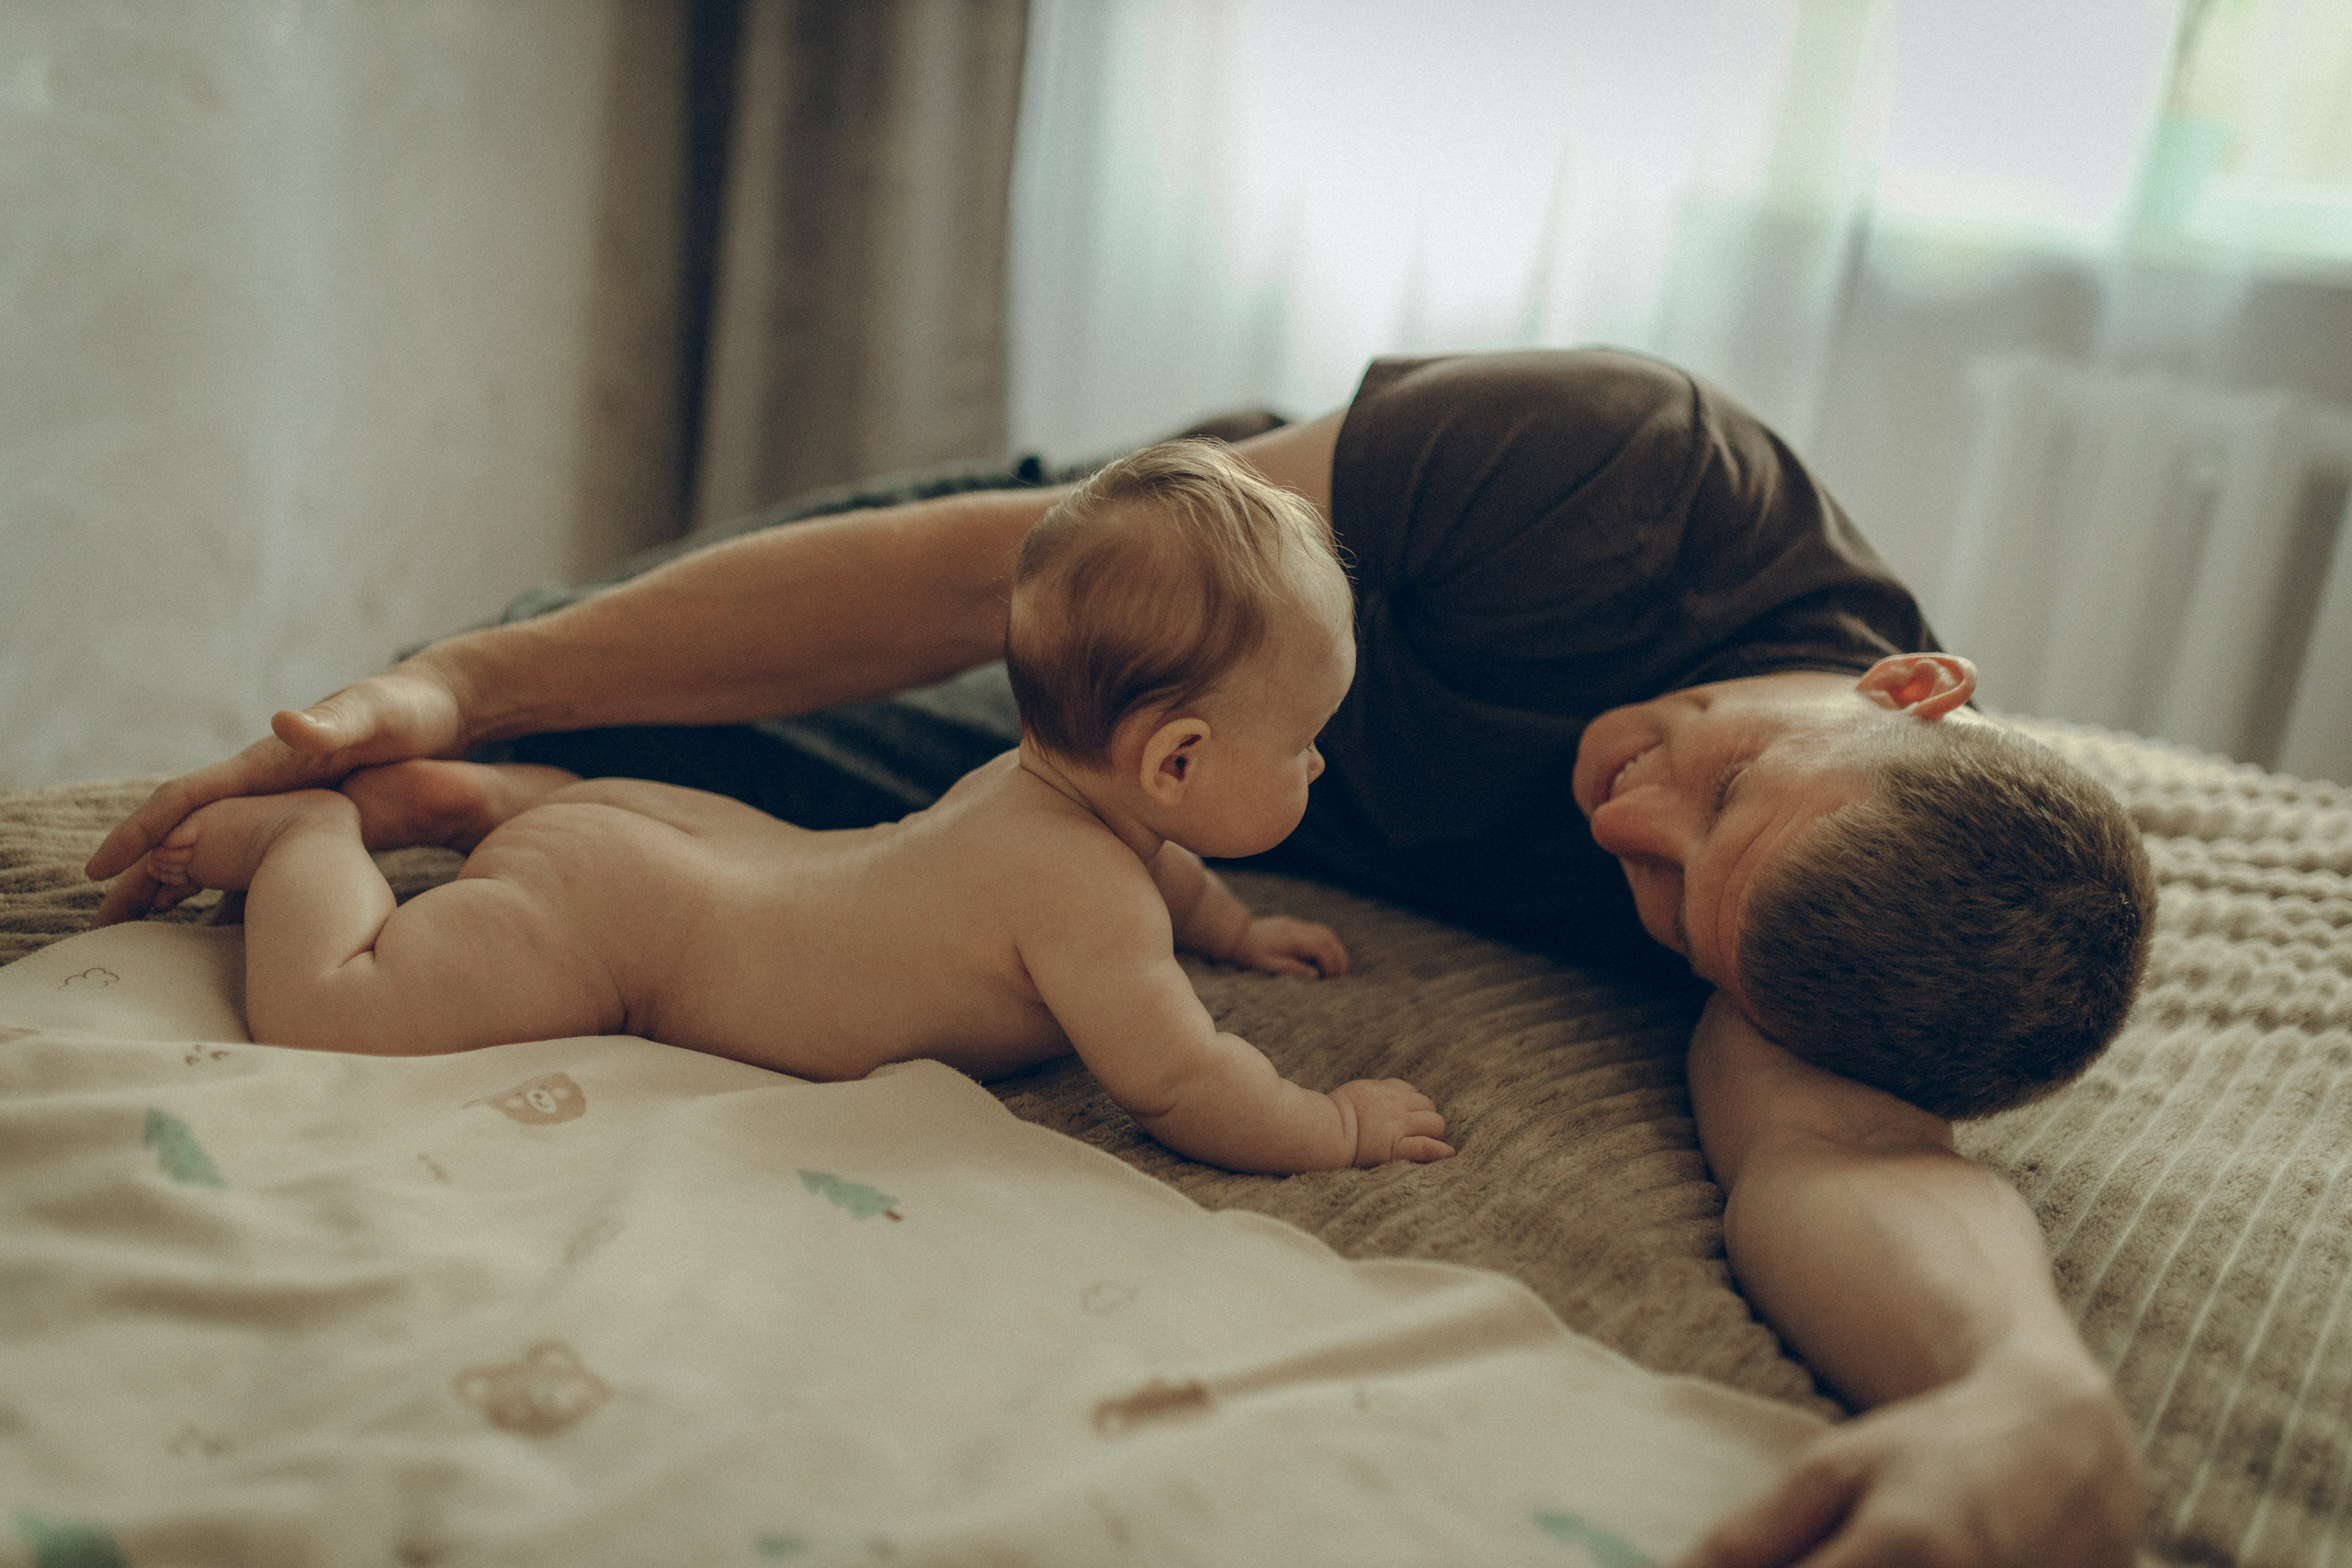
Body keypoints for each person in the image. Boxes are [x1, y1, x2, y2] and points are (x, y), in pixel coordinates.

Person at [88, 349, 2150, 1567]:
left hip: (1201, 817)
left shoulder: (1807, 935)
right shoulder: (1622, 477)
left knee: (633, 822)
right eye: (1712, 784)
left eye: (1664, 894)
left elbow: (1843, 1159)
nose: (1620, 819)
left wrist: (2025, 1382)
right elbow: (988, 583)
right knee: (522, 705)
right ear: (1907, 684)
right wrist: (457, 675)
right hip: (1134, 637)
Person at [125, 444, 1454, 1176]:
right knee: (340, 1013)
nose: (1323, 769)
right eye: (1307, 746)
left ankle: (479, 802)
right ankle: (313, 844)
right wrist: (1331, 1123)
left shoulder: (1049, 797)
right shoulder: (1086, 896)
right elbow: (1183, 1080)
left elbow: (1163, 877)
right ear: (1171, 763)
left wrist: (1225, 928)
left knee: (716, 851)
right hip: (625, 933)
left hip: (688, 847)